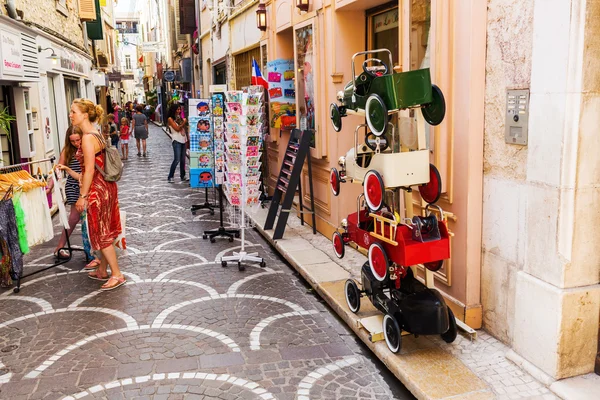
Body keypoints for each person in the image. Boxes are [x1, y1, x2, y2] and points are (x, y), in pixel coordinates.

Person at [70, 98, 126, 290]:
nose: (70, 115)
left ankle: (117, 274)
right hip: (107, 187)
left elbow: (89, 170)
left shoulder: (87, 138)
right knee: (105, 229)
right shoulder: (96, 133)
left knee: (101, 233)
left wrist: (83, 196)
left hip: (97, 190)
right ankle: (103, 270)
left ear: (85, 114)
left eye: (73, 112)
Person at [46, 126, 101, 270]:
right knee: (74, 218)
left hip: (87, 184)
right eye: (73, 141)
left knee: (87, 218)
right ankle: (60, 247)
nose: (76, 143)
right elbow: (58, 168)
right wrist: (49, 186)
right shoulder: (67, 151)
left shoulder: (89, 146)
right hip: (73, 186)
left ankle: (93, 251)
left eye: (78, 139)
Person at [167, 103, 188, 183]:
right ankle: (170, 176)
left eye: (180, 109)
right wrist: (184, 122)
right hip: (176, 140)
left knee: (183, 159)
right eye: (177, 109)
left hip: (183, 139)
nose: (179, 111)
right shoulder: (170, 119)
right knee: (177, 159)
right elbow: (177, 129)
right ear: (174, 109)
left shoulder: (179, 118)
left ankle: (183, 176)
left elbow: (183, 129)